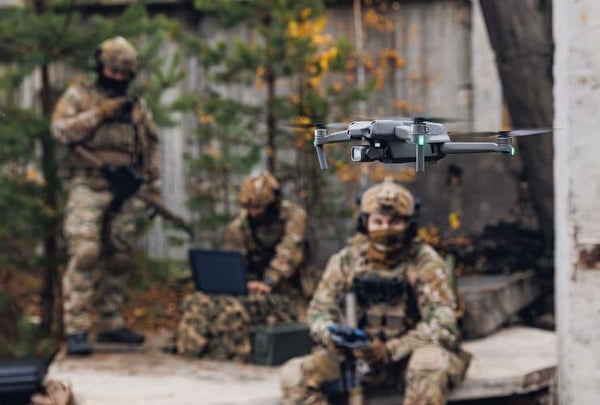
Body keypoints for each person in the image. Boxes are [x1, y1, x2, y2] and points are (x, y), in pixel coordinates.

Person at [280, 178, 470, 404]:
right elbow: (318, 311)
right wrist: (332, 336)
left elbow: (443, 322)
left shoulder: (423, 261)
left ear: (408, 224)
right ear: (365, 223)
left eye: (394, 222)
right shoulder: (347, 261)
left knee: (427, 366)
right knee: (295, 375)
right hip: (355, 359)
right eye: (378, 222)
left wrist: (392, 350)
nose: (385, 229)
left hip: (407, 359)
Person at [52, 36, 161, 355]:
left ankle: (111, 324)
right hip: (87, 184)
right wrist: (99, 114)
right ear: (100, 66)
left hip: (125, 188)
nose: (116, 77)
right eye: (111, 71)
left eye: (122, 73)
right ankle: (76, 328)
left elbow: (149, 146)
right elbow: (60, 131)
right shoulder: (79, 96)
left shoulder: (137, 105)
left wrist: (153, 187)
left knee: (120, 256)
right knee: (85, 252)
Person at [176, 172, 311, 361]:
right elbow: (233, 261)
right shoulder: (239, 226)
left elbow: (289, 254)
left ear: (272, 203)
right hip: (253, 287)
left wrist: (268, 281)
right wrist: (244, 283)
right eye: (248, 207)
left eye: (257, 207)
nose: (253, 213)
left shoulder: (294, 217)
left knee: (307, 331)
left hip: (291, 288)